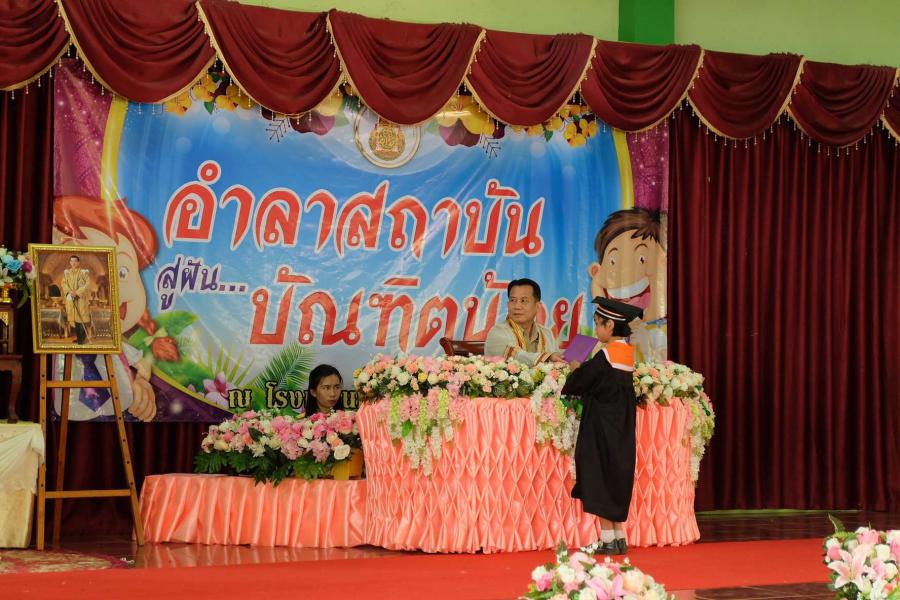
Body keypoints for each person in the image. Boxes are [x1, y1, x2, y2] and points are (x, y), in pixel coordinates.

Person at [563, 296, 644, 556]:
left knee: (599, 476)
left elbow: (578, 382)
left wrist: (575, 367)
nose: (596, 329)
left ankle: (608, 539)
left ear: (610, 326)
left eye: (598, 323)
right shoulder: (626, 354)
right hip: (619, 429)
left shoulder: (607, 355)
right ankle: (617, 537)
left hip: (600, 428)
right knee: (614, 477)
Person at [588, 208, 667, 362]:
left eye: (598, 324)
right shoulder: (601, 346)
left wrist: (644, 345)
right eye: (596, 323)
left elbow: (658, 361)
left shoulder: (654, 333)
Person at [484, 278, 565, 366]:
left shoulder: (547, 334)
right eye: (513, 300)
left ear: (538, 306)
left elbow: (557, 362)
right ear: (508, 305)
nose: (517, 306)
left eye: (524, 301)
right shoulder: (497, 332)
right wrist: (547, 357)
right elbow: (516, 356)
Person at [61, 255, 91, 344]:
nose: (73, 263)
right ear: (70, 262)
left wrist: (77, 293)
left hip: (80, 299)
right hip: (71, 298)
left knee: (81, 319)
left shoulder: (83, 273)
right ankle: (79, 338)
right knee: (74, 319)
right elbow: (63, 284)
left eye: (75, 261)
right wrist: (69, 292)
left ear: (78, 262)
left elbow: (87, 284)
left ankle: (82, 339)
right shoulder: (67, 273)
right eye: (72, 261)